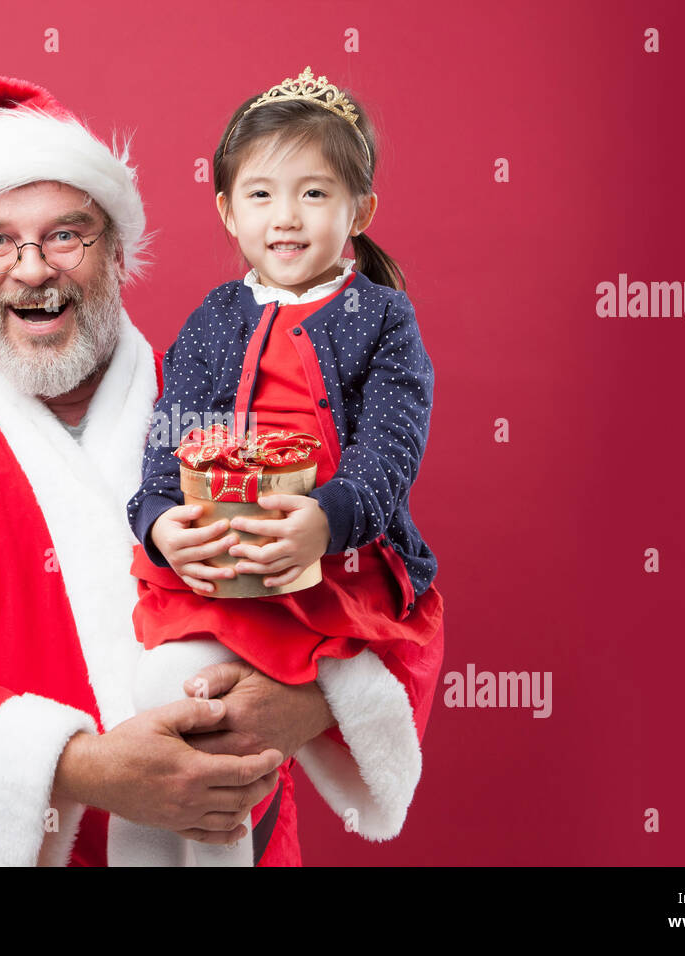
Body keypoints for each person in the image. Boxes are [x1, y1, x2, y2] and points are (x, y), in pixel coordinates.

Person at [0, 70, 445, 867]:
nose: (33, 269)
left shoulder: (231, 400)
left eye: (66, 234)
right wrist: (91, 768)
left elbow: (387, 580)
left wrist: (302, 703)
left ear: (115, 250)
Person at [119, 67, 445, 866]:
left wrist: (327, 519)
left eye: (314, 194)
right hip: (218, 573)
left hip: (333, 572)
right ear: (229, 211)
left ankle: (335, 699)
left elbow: (390, 451)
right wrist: (161, 523)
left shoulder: (381, 319)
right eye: (261, 195)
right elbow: (172, 437)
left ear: (359, 211)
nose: (286, 217)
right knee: (164, 716)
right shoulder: (214, 318)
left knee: (231, 745)